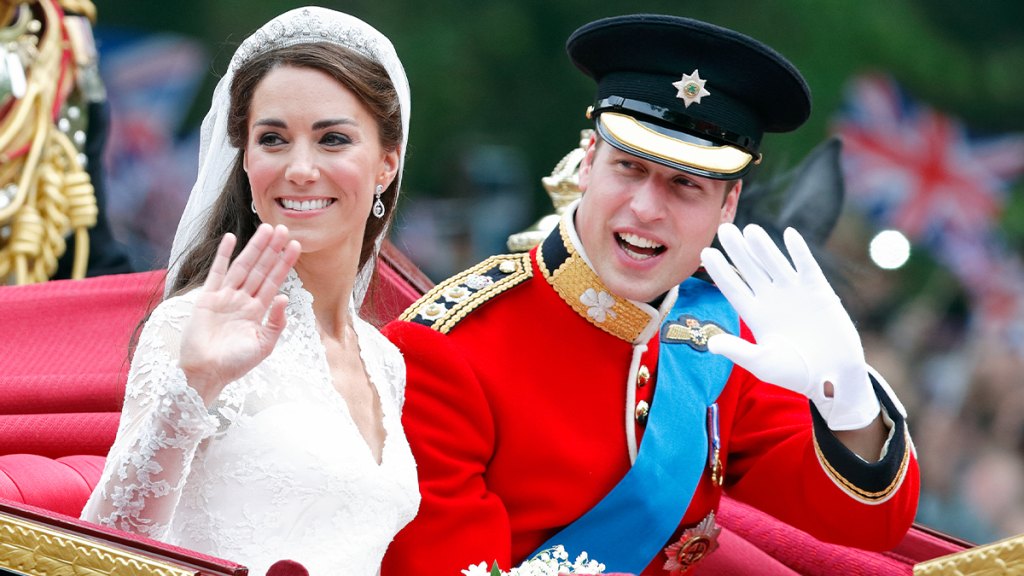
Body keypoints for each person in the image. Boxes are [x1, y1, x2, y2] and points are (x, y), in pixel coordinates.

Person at [381, 14, 919, 576]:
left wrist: (850, 405)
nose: (646, 208)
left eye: (686, 184)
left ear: (729, 205)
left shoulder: (718, 340)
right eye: (629, 168)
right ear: (588, 162)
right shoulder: (447, 347)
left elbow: (866, 527)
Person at [80, 7, 418, 575]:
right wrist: (196, 384)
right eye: (273, 139)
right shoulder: (190, 326)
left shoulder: (386, 362)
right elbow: (101, 552)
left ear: (387, 163)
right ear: (245, 161)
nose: (301, 168)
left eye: (333, 139)